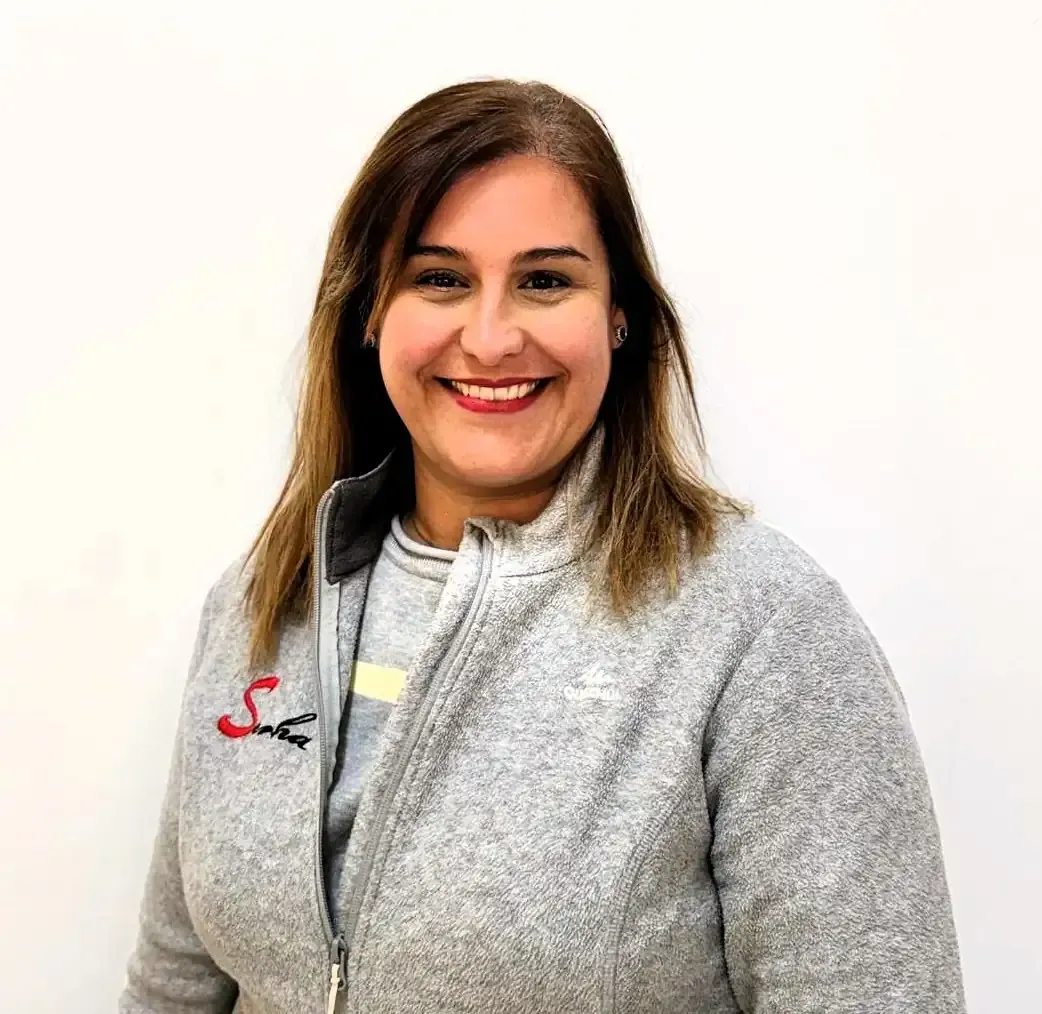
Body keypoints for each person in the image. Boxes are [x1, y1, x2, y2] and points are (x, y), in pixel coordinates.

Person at [119, 79, 966, 1014]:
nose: (490, 339)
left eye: (546, 281)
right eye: (440, 278)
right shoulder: (263, 599)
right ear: (371, 312)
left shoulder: (762, 632)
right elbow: (171, 987)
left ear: (619, 314)